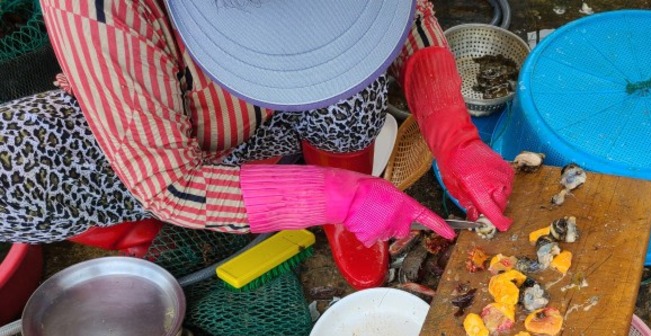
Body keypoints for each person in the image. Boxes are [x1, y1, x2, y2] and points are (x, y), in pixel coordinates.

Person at [0, 0, 514, 288]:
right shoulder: (97, 8)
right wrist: (346, 196)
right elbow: (170, 181)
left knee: (354, 86)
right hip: (153, 121)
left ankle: (340, 206)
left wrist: (455, 136)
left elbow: (403, 19)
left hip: (263, 121)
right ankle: (133, 230)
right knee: (18, 169)